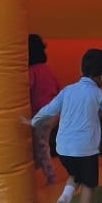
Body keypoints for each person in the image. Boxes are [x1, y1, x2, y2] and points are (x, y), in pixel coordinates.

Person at [30, 48, 102, 203]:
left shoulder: (67, 91)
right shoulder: (100, 95)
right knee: (88, 185)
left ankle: (66, 195)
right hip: (86, 149)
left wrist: (34, 120)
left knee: (75, 174)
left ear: (80, 70)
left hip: (63, 149)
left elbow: (50, 108)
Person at [28, 34, 62, 185]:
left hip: (42, 114)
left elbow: (25, 90)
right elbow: (57, 88)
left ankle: (51, 176)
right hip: (54, 113)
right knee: (39, 142)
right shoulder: (47, 70)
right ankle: (37, 164)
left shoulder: (32, 72)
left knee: (42, 145)